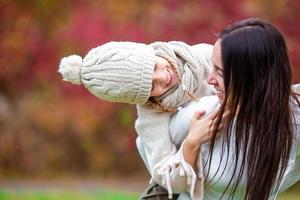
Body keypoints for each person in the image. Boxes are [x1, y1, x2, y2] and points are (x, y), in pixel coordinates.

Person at [140, 18, 300, 199]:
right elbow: (149, 150)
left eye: (220, 72)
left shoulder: (293, 119)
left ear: (256, 79)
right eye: (212, 67)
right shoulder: (202, 114)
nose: (210, 80)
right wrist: (191, 143)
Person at [58, 41, 215, 198]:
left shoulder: (205, 56)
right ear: (145, 97)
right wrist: (192, 142)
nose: (163, 77)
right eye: (152, 87)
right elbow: (167, 177)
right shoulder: (151, 117)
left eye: (153, 67)